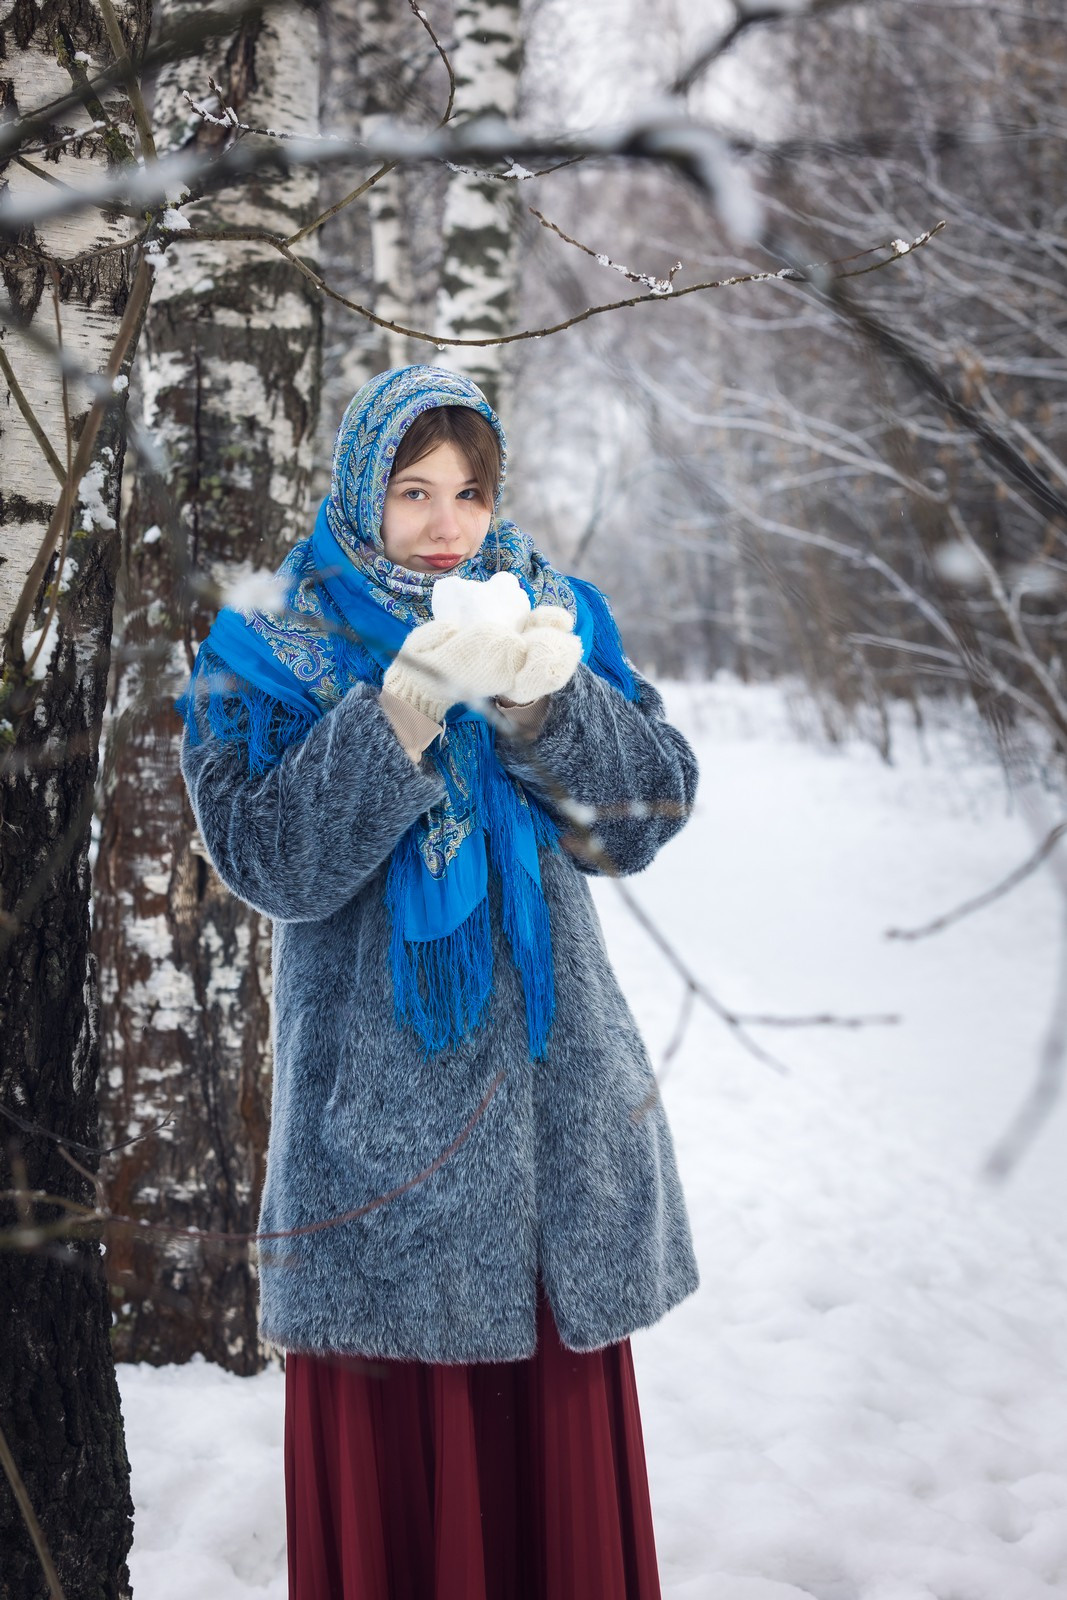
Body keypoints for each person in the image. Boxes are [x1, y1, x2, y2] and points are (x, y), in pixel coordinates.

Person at [177, 365, 701, 1599]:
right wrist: (398, 713)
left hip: (557, 1148)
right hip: (378, 1160)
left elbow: (643, 815)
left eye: (469, 491)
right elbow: (269, 862)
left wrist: (545, 708)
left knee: (547, 1510)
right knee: (412, 1511)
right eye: (413, 490)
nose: (445, 524)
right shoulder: (270, 647)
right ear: (362, 489)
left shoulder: (550, 615)